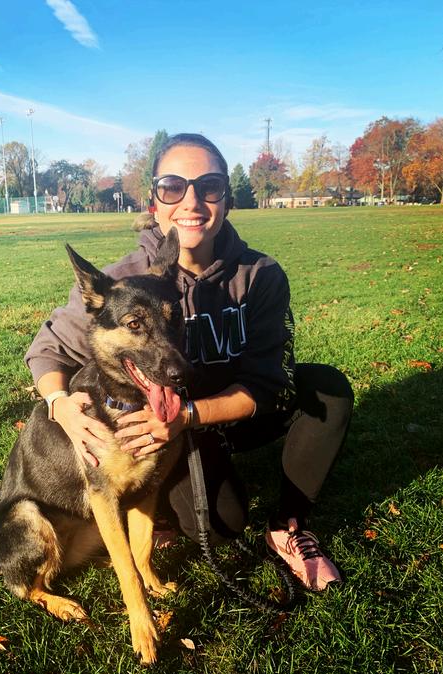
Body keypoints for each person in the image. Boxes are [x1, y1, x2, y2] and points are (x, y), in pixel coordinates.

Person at [25, 133, 354, 592]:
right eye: (173, 187)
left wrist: (190, 416)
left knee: (327, 388)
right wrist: (60, 404)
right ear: (155, 200)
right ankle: (161, 509)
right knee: (221, 525)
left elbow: (270, 383)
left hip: (226, 411)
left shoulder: (261, 276)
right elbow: (47, 350)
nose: (192, 202)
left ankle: (288, 527)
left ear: (228, 199)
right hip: (168, 426)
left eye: (209, 186)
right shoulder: (122, 282)